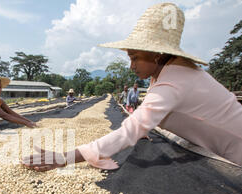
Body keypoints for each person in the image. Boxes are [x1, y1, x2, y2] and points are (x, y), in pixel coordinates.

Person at [22, 3, 242, 172]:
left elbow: (132, 129)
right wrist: (143, 127)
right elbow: (143, 119)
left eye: (135, 57)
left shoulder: (175, 80)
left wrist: (65, 157)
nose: (131, 65)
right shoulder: (166, 72)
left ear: (157, 54)